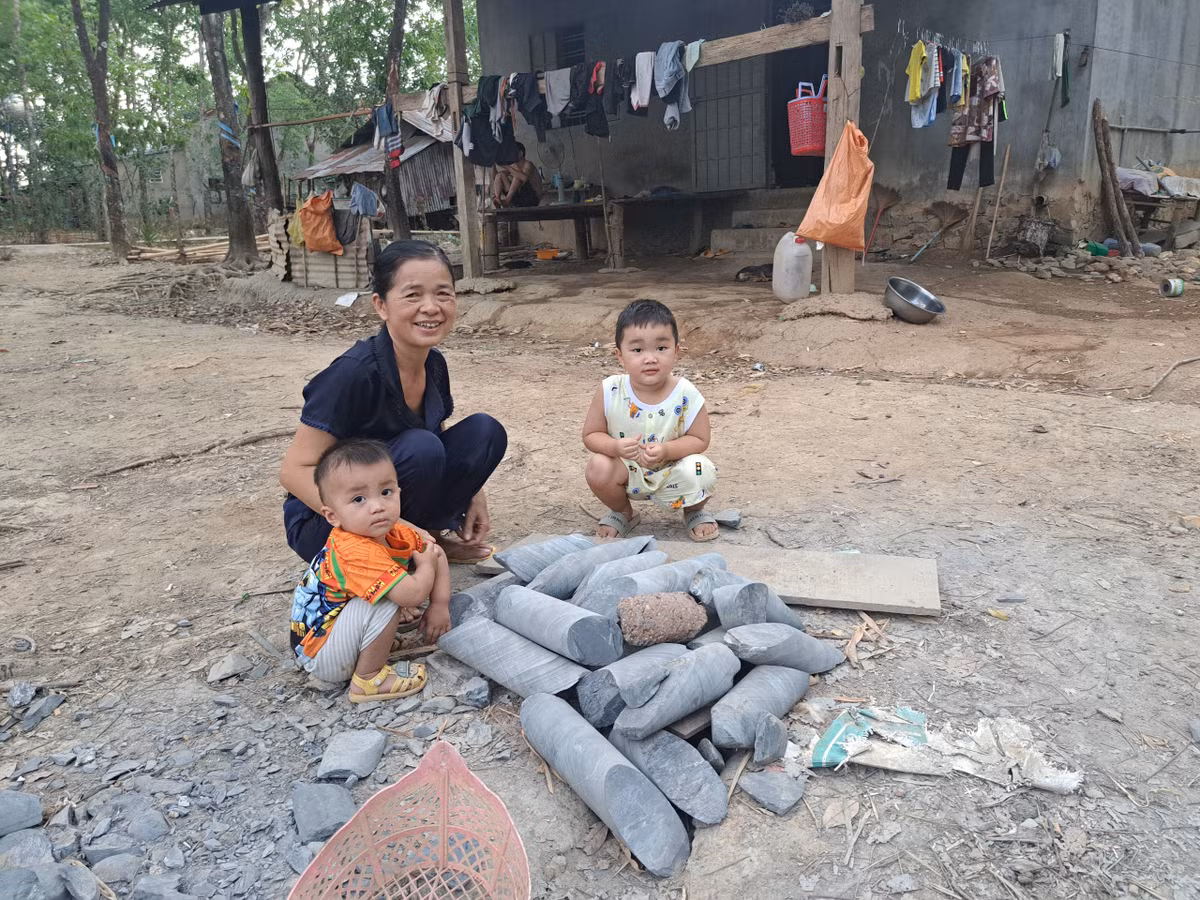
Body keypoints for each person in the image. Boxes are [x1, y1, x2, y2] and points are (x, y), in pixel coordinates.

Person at [279, 240, 507, 565]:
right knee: (421, 448)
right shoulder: (353, 374)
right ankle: (398, 554)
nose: (431, 307)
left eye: (443, 293)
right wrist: (393, 524)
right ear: (381, 305)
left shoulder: (434, 365)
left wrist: (474, 494)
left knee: (484, 432)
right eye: (413, 295)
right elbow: (293, 471)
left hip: (388, 499)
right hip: (327, 523)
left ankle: (426, 541)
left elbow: (436, 431)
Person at [289, 439, 450, 702]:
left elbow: (436, 552)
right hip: (320, 654)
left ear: (399, 491)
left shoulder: (394, 531)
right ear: (333, 516)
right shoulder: (354, 551)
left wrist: (440, 605)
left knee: (387, 589)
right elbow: (411, 594)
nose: (377, 506)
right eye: (358, 499)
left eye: (386, 492)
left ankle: (365, 650)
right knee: (387, 596)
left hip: (333, 638)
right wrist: (425, 566)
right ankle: (369, 679)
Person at [582, 299, 719, 542]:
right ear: (619, 355)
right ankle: (623, 512)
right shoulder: (609, 390)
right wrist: (614, 447)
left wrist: (667, 449)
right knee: (598, 466)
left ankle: (693, 511)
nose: (650, 358)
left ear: (677, 350)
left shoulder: (686, 393)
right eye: (637, 350)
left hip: (673, 470)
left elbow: (700, 439)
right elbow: (591, 435)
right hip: (627, 470)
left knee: (702, 468)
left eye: (661, 348)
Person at [491, 143, 543, 208]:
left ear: (521, 153)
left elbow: (524, 178)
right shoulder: (514, 165)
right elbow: (495, 177)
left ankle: (507, 201)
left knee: (518, 177)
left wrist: (507, 167)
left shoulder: (528, 164)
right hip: (520, 198)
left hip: (532, 198)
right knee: (500, 175)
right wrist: (493, 165)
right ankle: (497, 200)